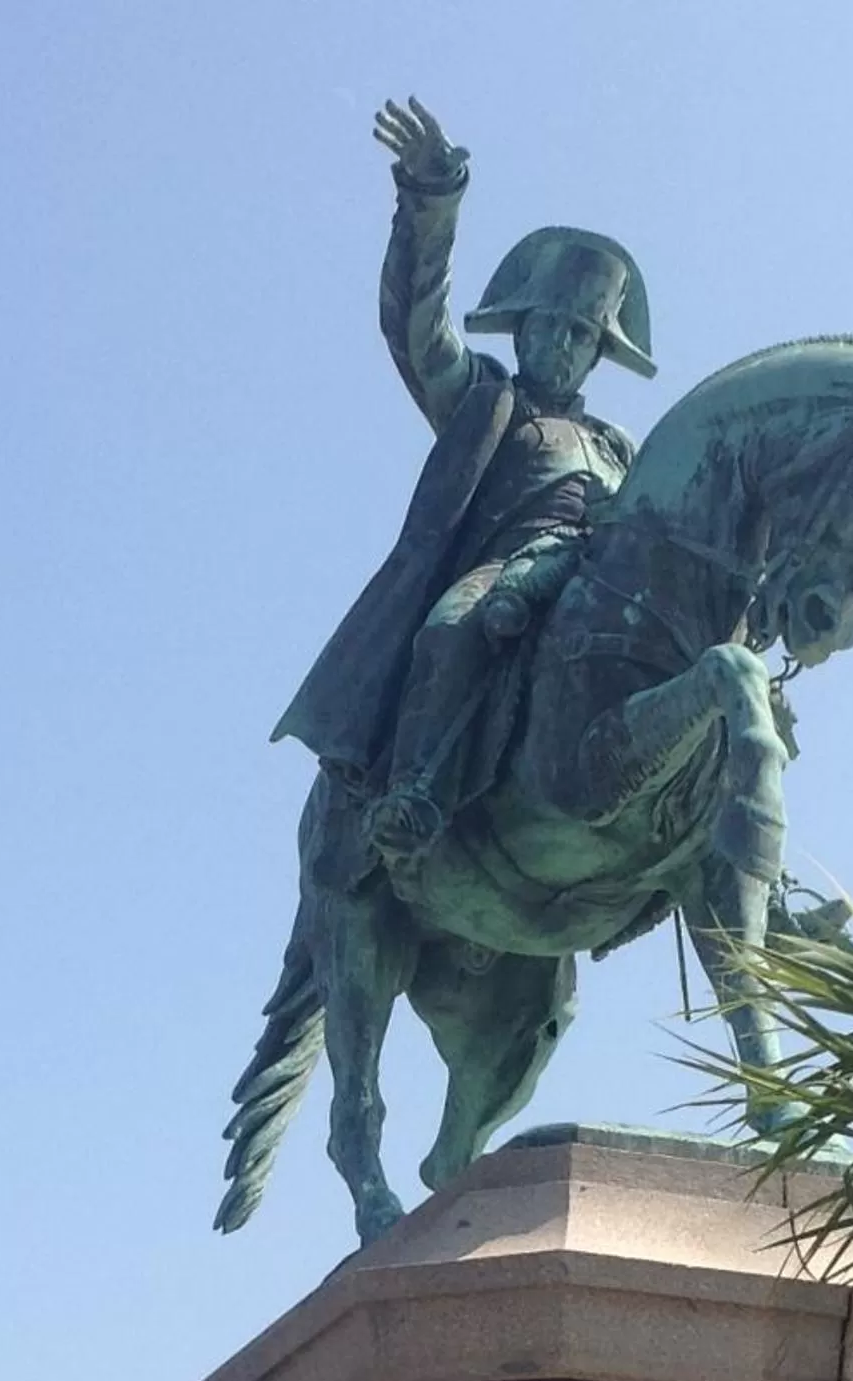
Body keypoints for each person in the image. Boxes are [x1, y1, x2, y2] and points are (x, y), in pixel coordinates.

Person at [270, 97, 655, 865]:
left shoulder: (621, 447)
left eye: (583, 334)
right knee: (451, 626)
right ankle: (412, 789)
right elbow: (415, 329)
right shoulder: (486, 400)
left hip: (598, 586)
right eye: (552, 323)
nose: (565, 343)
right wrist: (433, 198)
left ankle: (750, 882)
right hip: (501, 578)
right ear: (523, 327)